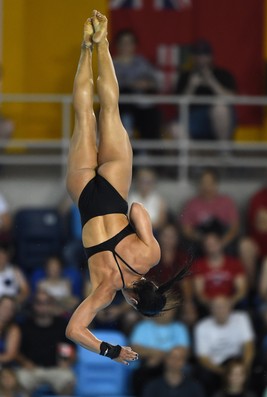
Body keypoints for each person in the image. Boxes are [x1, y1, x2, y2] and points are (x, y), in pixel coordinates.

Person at [65, 11, 189, 365]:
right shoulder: (105, 290)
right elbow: (74, 330)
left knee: (110, 111)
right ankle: (85, 46)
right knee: (84, 115)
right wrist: (112, 350)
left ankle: (101, 42)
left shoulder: (150, 257)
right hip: (86, 194)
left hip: (114, 192)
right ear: (134, 300)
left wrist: (132, 228)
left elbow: (138, 210)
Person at [17, 291, 75, 396]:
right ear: (34, 306)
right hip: (31, 369)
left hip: (56, 369)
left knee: (68, 379)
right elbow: (17, 351)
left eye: (47, 303)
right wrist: (24, 362)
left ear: (52, 305)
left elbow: (69, 346)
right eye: (39, 303)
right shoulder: (25, 325)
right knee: (20, 380)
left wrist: (66, 361)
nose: (43, 307)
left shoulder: (62, 324)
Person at [176, 39, 236, 140]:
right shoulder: (185, 76)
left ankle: (224, 152)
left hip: (221, 117)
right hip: (193, 117)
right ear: (193, 57)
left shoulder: (222, 74)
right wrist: (191, 86)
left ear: (211, 56)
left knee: (219, 108)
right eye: (197, 55)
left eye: (204, 55)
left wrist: (212, 83)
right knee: (175, 128)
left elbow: (232, 99)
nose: (201, 58)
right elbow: (179, 106)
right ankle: (194, 156)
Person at [194, 296, 255, 394]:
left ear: (230, 307)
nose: (220, 310)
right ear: (211, 309)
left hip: (238, 361)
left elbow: (249, 346)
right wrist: (224, 372)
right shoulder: (202, 326)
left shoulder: (241, 318)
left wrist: (244, 368)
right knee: (202, 374)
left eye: (223, 306)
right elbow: (203, 358)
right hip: (216, 366)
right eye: (217, 307)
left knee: (255, 367)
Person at [113, 29, 162, 139]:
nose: (126, 46)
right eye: (123, 43)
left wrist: (147, 84)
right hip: (120, 105)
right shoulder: (111, 63)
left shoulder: (142, 62)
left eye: (130, 43)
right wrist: (132, 84)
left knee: (153, 115)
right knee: (126, 102)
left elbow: (156, 82)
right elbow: (108, 84)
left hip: (141, 105)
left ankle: (147, 150)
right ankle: (126, 141)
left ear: (134, 45)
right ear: (117, 45)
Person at [130, 308, 190, 396]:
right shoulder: (143, 326)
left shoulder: (179, 327)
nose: (166, 313)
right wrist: (154, 354)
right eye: (164, 310)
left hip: (173, 362)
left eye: (169, 310)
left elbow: (184, 351)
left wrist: (161, 356)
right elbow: (135, 349)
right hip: (148, 363)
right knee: (139, 374)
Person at [180, 169, 240, 255]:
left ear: (216, 184)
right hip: (200, 241)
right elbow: (186, 229)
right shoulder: (192, 204)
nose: (206, 186)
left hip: (223, 240)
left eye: (210, 183)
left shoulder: (226, 202)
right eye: (203, 183)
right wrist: (203, 239)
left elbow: (234, 227)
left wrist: (222, 242)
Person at [185, 232, 247, 308]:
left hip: (231, 305)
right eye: (208, 244)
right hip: (208, 307)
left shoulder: (234, 263)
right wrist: (213, 305)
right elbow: (199, 293)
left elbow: (242, 289)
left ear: (221, 243)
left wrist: (230, 302)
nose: (212, 246)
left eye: (214, 243)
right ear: (204, 247)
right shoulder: (199, 265)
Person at [128, 168, 168, 234]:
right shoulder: (130, 198)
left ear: (153, 183)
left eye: (148, 182)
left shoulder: (159, 200)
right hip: (134, 231)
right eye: (142, 181)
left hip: (154, 232)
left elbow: (162, 221)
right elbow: (128, 219)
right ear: (137, 182)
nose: (145, 185)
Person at [0, 296, 21, 367]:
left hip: (4, 367)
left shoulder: (13, 329)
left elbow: (10, 355)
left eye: (10, 309)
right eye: (4, 307)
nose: (6, 310)